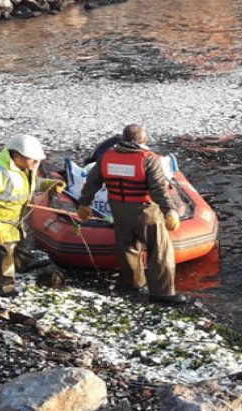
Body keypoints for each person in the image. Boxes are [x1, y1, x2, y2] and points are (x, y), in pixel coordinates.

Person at [76, 124, 189, 305]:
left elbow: (92, 181)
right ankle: (162, 292)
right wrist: (170, 210)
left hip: (119, 210)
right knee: (159, 250)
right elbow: (159, 189)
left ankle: (132, 284)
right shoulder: (149, 159)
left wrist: (84, 203)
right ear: (143, 140)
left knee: (127, 247)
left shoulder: (107, 157)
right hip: (145, 211)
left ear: (123, 139)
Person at [0, 134, 66, 295]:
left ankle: (22, 263)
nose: (35, 164)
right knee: (0, 256)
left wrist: (48, 184)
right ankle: (2, 286)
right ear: (16, 155)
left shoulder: (24, 167)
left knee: (21, 243)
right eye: (32, 160)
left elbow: (24, 185)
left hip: (13, 219)